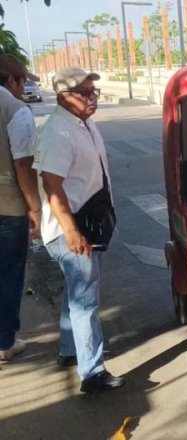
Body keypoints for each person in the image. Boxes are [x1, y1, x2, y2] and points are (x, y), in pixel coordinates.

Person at [34, 67, 124, 393]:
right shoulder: (58, 132)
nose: (92, 98)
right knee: (86, 300)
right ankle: (93, 373)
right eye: (84, 92)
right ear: (62, 96)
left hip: (86, 221)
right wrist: (72, 232)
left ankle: (70, 351)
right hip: (70, 229)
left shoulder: (82, 123)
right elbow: (52, 186)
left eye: (93, 91)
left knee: (76, 294)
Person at [0, 55, 41, 362]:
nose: (24, 86)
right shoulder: (15, 110)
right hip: (8, 205)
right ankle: (5, 341)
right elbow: (23, 165)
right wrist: (35, 209)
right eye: (23, 80)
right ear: (11, 80)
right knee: (10, 272)